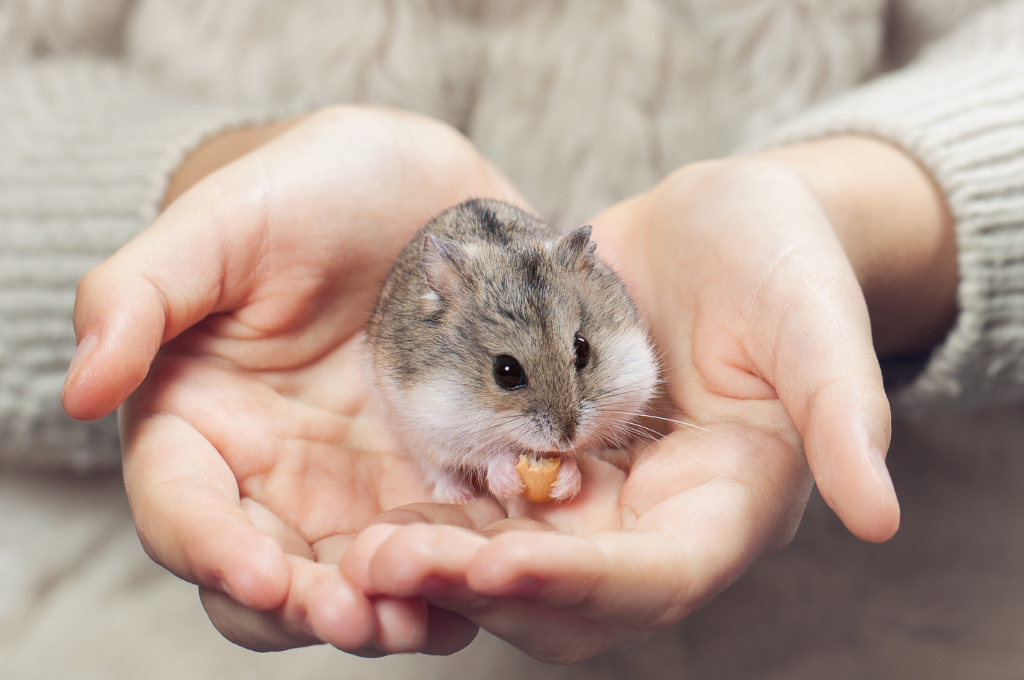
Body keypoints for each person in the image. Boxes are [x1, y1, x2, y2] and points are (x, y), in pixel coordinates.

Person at [5, 0, 1024, 671]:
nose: (564, 418)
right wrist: (213, 200)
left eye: (578, 364)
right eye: (508, 376)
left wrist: (860, 221)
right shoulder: (415, 339)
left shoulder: (595, 315)